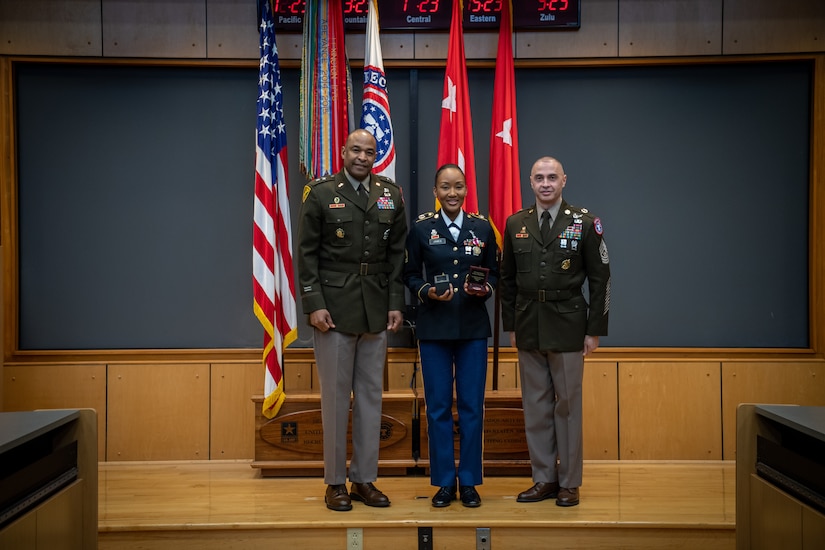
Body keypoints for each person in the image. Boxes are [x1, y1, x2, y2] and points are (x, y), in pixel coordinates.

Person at [296, 128, 408, 512]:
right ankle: (334, 482)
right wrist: (314, 304)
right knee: (335, 401)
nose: (362, 156)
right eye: (356, 150)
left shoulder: (390, 194)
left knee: (371, 400)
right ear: (343, 152)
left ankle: (363, 478)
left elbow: (397, 256)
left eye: (369, 151)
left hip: (376, 308)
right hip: (334, 310)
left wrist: (397, 303)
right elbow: (307, 254)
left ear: (376, 155)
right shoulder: (322, 192)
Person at [499, 156, 610, 507]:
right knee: (535, 406)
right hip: (529, 322)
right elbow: (507, 280)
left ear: (564, 180)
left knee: (568, 407)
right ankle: (544, 478)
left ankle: (569, 482)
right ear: (530, 182)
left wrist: (594, 331)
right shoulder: (516, 222)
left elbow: (601, 279)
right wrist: (511, 327)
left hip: (568, 324)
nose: (545, 184)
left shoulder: (584, 222)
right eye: (539, 178)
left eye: (552, 178)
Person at [403, 164, 498, 508]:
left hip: (472, 329)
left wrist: (484, 288)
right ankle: (444, 481)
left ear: (467, 190)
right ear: (436, 192)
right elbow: (410, 274)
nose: (452, 193)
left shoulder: (482, 228)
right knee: (439, 408)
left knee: (473, 407)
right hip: (434, 330)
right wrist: (428, 290)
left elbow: (495, 274)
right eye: (445, 187)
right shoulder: (421, 229)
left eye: (458, 186)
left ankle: (469, 481)